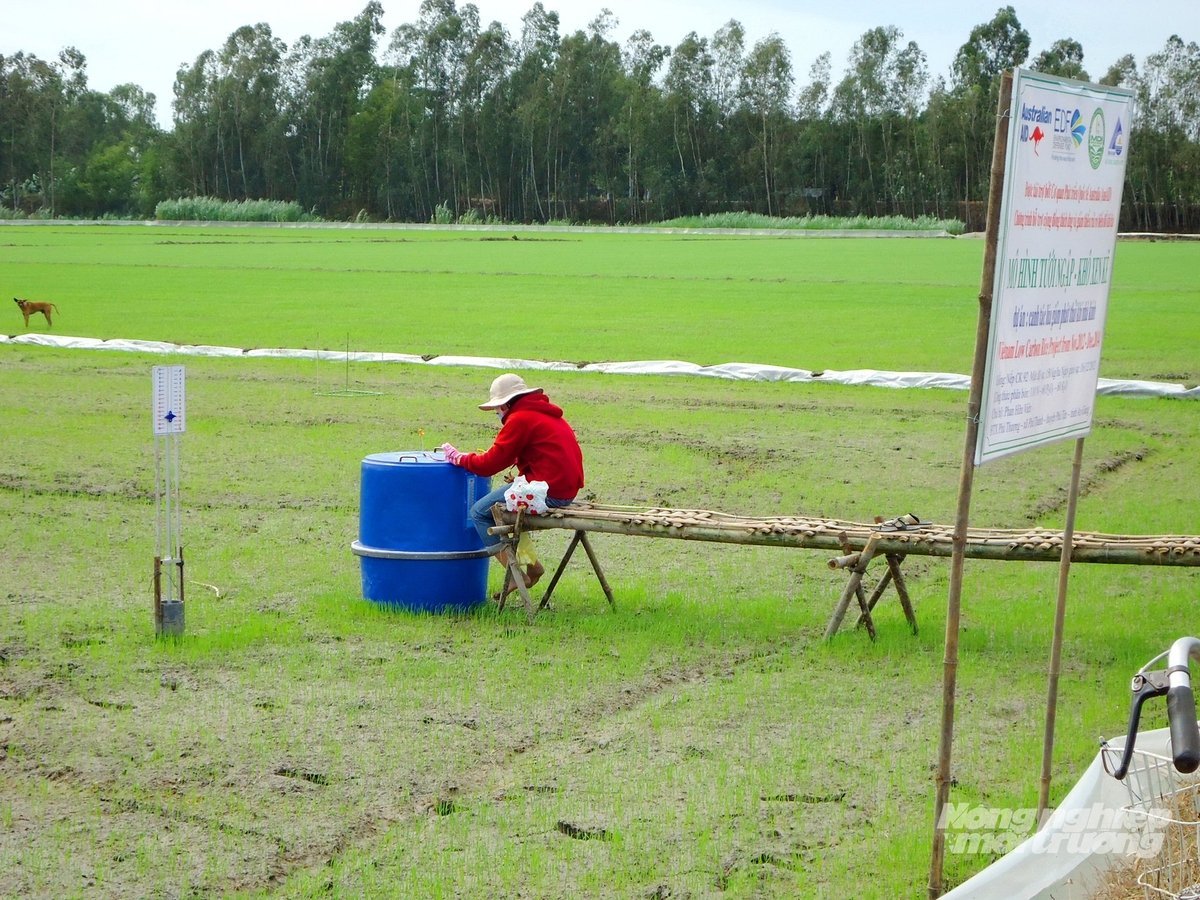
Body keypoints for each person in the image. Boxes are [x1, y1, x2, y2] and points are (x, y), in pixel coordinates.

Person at [441, 373, 584, 595]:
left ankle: (516, 573)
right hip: (564, 489)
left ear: (507, 404)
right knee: (512, 508)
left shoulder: (520, 419)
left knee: (479, 512)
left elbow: (489, 464)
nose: (497, 412)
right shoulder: (544, 414)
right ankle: (532, 566)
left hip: (549, 491)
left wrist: (460, 458)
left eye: (498, 408)